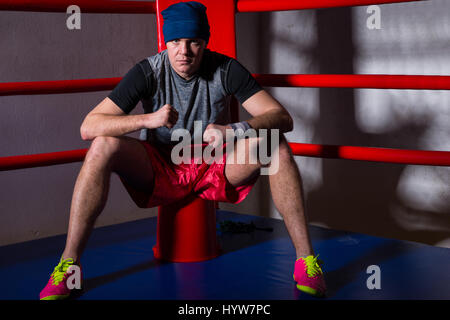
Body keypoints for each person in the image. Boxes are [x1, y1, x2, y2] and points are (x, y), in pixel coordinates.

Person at [39, 1, 326, 300]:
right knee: (101, 145)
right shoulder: (147, 71)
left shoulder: (226, 68)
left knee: (274, 143)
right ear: (166, 42)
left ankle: (305, 261)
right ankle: (69, 266)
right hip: (160, 165)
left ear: (205, 43)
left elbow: (282, 118)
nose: (184, 51)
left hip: (213, 164)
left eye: (194, 42)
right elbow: (89, 127)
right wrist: (148, 119)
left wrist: (233, 130)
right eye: (176, 41)